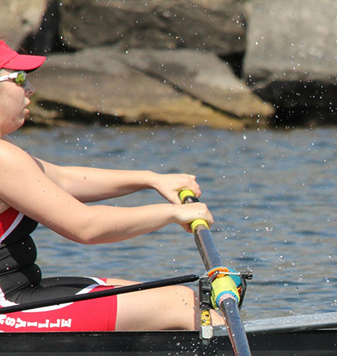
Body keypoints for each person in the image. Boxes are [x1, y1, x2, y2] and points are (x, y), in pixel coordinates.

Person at [0, 40, 216, 332]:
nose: (30, 89)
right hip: (8, 308)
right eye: (19, 79)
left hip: (16, 293)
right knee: (178, 302)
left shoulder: (7, 150)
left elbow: (62, 179)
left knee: (132, 288)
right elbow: (86, 226)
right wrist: (172, 214)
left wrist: (151, 179)